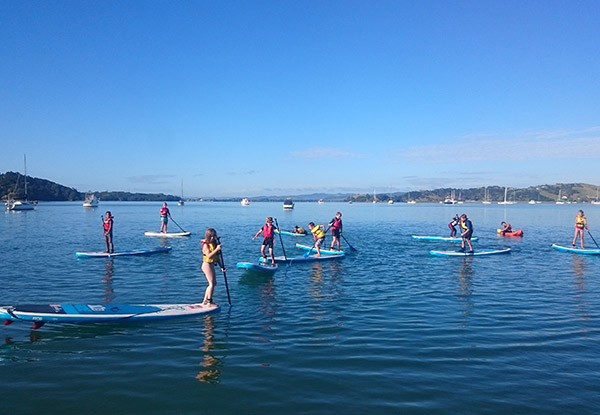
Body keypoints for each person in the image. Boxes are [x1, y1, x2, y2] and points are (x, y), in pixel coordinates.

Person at [201, 228, 225, 307]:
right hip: (206, 264)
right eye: (210, 237)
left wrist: (221, 266)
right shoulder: (205, 245)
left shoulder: (214, 244)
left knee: (213, 283)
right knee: (211, 284)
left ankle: (205, 300)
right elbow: (209, 255)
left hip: (211, 264)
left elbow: (217, 257)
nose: (212, 238)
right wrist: (217, 249)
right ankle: (209, 302)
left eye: (213, 236)